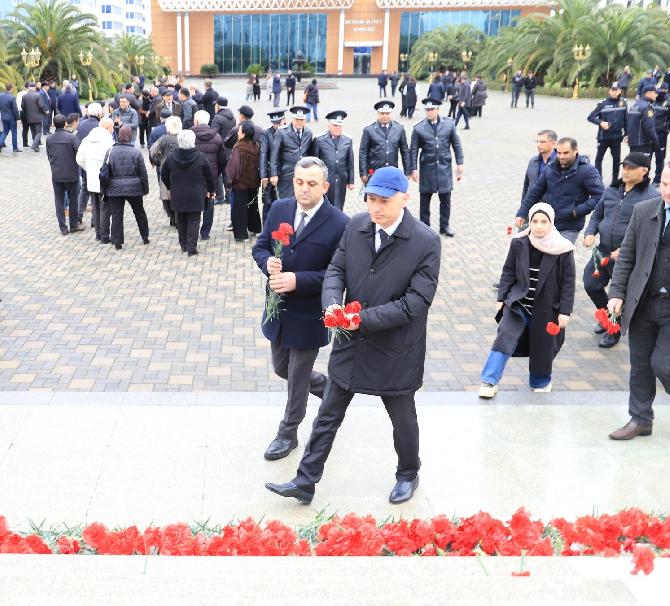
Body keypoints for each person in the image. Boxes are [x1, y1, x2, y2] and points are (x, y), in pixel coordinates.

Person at [265, 166, 441, 505]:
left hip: (395, 350)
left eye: (384, 201)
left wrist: (361, 319)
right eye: (371, 199)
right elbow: (336, 270)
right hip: (351, 343)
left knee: (403, 419)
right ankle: (305, 480)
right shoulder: (357, 226)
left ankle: (408, 473)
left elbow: (416, 302)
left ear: (404, 199)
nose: (376, 207)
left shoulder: (425, 241)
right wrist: (333, 305)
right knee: (328, 415)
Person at [252, 156, 349, 460]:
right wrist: (266, 262)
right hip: (279, 310)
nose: (303, 189)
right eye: (298, 182)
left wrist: (299, 280)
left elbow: (338, 273)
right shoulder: (280, 208)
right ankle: (329, 388)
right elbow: (261, 246)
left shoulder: (339, 223)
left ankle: (288, 433)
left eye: (311, 183)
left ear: (325, 187)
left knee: (296, 378)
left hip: (309, 314)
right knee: (282, 368)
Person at [478, 203, 575, 398]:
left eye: (544, 222)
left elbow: (568, 283)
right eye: (535, 221)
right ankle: (489, 381)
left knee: (543, 345)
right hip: (518, 304)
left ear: (551, 223)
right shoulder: (519, 243)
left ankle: (540, 381)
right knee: (504, 336)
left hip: (547, 308)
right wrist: (502, 298)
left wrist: (565, 311)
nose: (539, 226)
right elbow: (508, 272)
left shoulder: (563, 249)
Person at [607, 165, 670, 440]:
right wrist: (616, 293)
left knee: (663, 364)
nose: (666, 191)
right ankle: (640, 419)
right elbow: (627, 256)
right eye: (664, 184)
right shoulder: (644, 211)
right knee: (641, 365)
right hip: (643, 302)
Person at [583, 152, 657, 349]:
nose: (625, 171)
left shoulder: (651, 197)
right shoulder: (612, 190)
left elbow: (650, 233)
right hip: (603, 252)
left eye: (631, 168)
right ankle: (608, 316)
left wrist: (623, 250)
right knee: (590, 284)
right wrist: (590, 232)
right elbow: (597, 214)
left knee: (618, 295)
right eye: (624, 166)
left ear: (644, 171)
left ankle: (614, 329)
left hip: (627, 258)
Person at [517, 137, 605, 243]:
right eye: (559, 153)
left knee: (560, 253)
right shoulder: (550, 168)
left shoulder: (588, 171)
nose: (561, 156)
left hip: (570, 227)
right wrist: (522, 212)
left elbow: (600, 196)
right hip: (549, 223)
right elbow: (535, 192)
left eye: (566, 153)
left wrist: (576, 211)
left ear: (575, 151)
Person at [410, 98, 464, 237]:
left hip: (444, 168)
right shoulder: (419, 128)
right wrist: (413, 169)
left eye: (432, 109)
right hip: (427, 169)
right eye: (427, 110)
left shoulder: (449, 124)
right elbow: (414, 149)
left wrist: (460, 162)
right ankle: (424, 228)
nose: (429, 112)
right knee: (425, 200)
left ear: (438, 110)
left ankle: (444, 226)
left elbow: (456, 144)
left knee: (445, 200)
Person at [161, 129, 216, 255]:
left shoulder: (171, 157)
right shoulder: (201, 157)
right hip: (196, 194)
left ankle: (184, 245)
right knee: (194, 220)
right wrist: (211, 190)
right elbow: (210, 176)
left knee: (180, 219)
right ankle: (191, 248)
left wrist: (170, 187)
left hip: (178, 193)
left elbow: (164, 175)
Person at [105, 125, 150, 250]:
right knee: (139, 211)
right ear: (130, 137)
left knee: (116, 214)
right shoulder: (136, 152)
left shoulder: (110, 151)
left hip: (115, 188)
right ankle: (145, 236)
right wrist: (145, 189)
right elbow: (143, 173)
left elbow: (105, 172)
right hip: (134, 188)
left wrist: (105, 189)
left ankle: (117, 241)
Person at [76, 117, 115, 242]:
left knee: (96, 207)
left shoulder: (87, 139)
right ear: (107, 128)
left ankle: (98, 234)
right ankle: (104, 235)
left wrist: (89, 169)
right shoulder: (109, 141)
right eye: (112, 128)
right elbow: (112, 160)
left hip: (92, 179)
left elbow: (79, 159)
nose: (113, 130)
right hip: (105, 179)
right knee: (105, 208)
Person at [46, 114, 85, 235]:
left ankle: (63, 227)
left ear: (54, 124)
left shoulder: (49, 139)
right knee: (73, 201)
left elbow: (49, 156)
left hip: (57, 174)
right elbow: (79, 154)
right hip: (71, 174)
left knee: (59, 201)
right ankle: (73, 225)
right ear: (65, 124)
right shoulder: (72, 138)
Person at [359, 101, 410, 190]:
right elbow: (363, 152)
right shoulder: (369, 130)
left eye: (387, 113)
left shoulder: (399, 129)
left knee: (391, 196)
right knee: (374, 196)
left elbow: (405, 151)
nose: (385, 116)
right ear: (378, 114)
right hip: (374, 172)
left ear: (391, 114)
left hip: (392, 172)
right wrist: (363, 173)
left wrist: (407, 171)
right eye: (382, 113)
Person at [192, 110, 225, 240]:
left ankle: (193, 229)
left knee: (194, 203)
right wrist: (216, 173)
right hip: (211, 176)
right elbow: (222, 160)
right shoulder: (217, 137)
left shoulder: (190, 136)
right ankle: (205, 232)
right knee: (209, 203)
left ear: (196, 121)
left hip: (194, 177)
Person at [312, 110, 355, 211]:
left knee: (339, 205)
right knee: (324, 205)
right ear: (329, 125)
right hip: (326, 179)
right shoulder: (319, 140)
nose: (338, 128)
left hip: (341, 179)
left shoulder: (347, 140)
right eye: (335, 125)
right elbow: (314, 162)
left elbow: (350, 161)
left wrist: (351, 181)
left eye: (340, 126)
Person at [226, 121, 261, 242]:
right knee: (253, 207)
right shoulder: (256, 145)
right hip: (254, 182)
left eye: (239, 131)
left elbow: (233, 167)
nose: (238, 133)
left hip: (240, 184)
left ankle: (241, 235)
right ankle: (255, 229)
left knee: (239, 209)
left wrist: (230, 180)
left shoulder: (239, 147)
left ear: (244, 133)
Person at [270, 106, 313, 199]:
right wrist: (273, 174)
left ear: (305, 120)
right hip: (286, 174)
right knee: (286, 201)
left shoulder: (309, 133)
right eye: (297, 119)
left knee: (302, 200)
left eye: (302, 120)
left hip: (303, 174)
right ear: (292, 119)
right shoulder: (282, 132)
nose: (299, 122)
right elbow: (274, 155)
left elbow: (310, 153)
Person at [587, 83, 627, 186]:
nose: (614, 92)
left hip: (616, 137)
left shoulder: (623, 103)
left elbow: (626, 120)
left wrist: (627, 134)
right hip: (603, 137)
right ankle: (598, 180)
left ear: (620, 91)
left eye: (616, 90)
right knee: (599, 158)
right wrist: (601, 122)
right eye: (612, 89)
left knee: (617, 160)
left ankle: (614, 181)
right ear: (609, 91)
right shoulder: (603, 104)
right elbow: (590, 117)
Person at [149, 115, 182, 227]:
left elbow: (153, 151)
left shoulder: (163, 139)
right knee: (179, 193)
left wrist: (158, 162)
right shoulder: (182, 137)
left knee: (166, 194)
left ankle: (172, 218)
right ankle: (178, 218)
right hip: (181, 168)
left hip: (166, 169)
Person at [259, 109, 285, 221]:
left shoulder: (287, 132)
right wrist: (263, 175)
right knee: (268, 202)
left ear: (284, 120)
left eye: (279, 122)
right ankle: (266, 228)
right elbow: (263, 154)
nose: (277, 125)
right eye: (275, 123)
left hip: (285, 173)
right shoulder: (266, 133)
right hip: (270, 173)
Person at [212, 96, 236, 204]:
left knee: (217, 174)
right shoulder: (232, 117)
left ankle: (219, 197)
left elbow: (214, 134)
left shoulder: (217, 118)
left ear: (218, 105)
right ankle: (229, 197)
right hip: (230, 149)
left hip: (220, 150)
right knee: (227, 174)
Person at [626, 85, 658, 155]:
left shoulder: (634, 106)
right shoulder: (647, 107)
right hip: (643, 143)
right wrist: (656, 141)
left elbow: (629, 123)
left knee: (634, 161)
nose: (656, 95)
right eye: (655, 93)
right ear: (649, 93)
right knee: (643, 162)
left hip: (633, 142)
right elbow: (649, 127)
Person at [21, 82, 49, 152]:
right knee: (39, 132)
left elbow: (22, 107)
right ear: (34, 87)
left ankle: (36, 148)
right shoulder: (37, 95)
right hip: (38, 117)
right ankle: (34, 145)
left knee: (33, 132)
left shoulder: (24, 96)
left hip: (29, 117)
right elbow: (41, 105)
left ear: (29, 87)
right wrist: (46, 111)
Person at [651, 84, 670, 185]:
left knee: (660, 157)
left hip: (661, 134)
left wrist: (666, 127)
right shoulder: (651, 100)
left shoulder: (668, 101)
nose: (658, 94)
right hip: (649, 133)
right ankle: (644, 178)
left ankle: (657, 179)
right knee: (647, 157)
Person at [0, 83, 21, 153]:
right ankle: (15, 148)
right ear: (11, 88)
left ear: (5, 88)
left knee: (5, 132)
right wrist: (18, 118)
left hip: (3, 117)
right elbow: (15, 109)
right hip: (11, 118)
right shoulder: (12, 97)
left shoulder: (0, 96)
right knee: (14, 132)